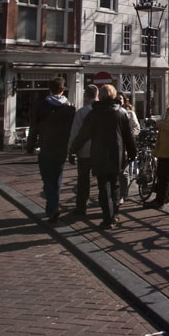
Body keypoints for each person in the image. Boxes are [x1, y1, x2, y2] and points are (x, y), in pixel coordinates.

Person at [70, 84, 136, 229]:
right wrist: (132, 152)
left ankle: (108, 218)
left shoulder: (94, 114)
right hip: (116, 154)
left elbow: (83, 135)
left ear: (100, 96)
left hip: (99, 154)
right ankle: (114, 214)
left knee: (103, 187)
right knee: (116, 184)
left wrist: (73, 149)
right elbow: (128, 136)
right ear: (113, 96)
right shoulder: (121, 113)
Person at [27, 77, 76, 223]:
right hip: (61, 148)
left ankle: (52, 207)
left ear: (50, 89)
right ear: (63, 89)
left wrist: (30, 146)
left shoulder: (40, 106)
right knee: (57, 177)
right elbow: (72, 131)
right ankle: (53, 206)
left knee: (47, 178)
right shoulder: (70, 108)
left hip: (46, 146)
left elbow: (34, 127)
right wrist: (72, 148)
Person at [68, 85, 99, 215]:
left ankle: (81, 206)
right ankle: (106, 206)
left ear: (86, 96)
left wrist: (71, 150)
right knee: (102, 180)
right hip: (100, 150)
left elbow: (75, 133)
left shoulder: (81, 112)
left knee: (83, 180)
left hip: (84, 151)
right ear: (97, 95)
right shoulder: (104, 111)